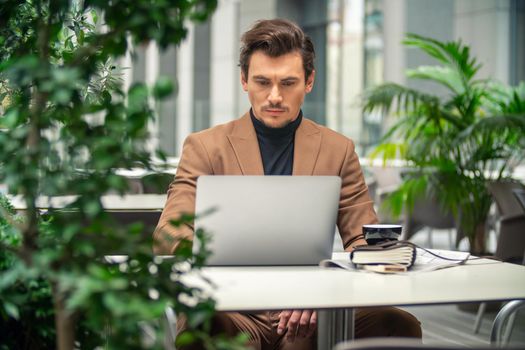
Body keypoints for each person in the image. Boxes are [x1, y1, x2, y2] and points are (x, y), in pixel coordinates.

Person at [154, 18, 421, 350]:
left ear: (309, 82)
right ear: (244, 81)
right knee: (205, 325)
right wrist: (221, 277)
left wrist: (322, 290)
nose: (274, 97)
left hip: (313, 306)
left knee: (398, 325)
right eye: (263, 82)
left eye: (288, 83)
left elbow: (365, 241)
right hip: (234, 308)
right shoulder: (205, 147)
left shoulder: (338, 150)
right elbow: (168, 233)